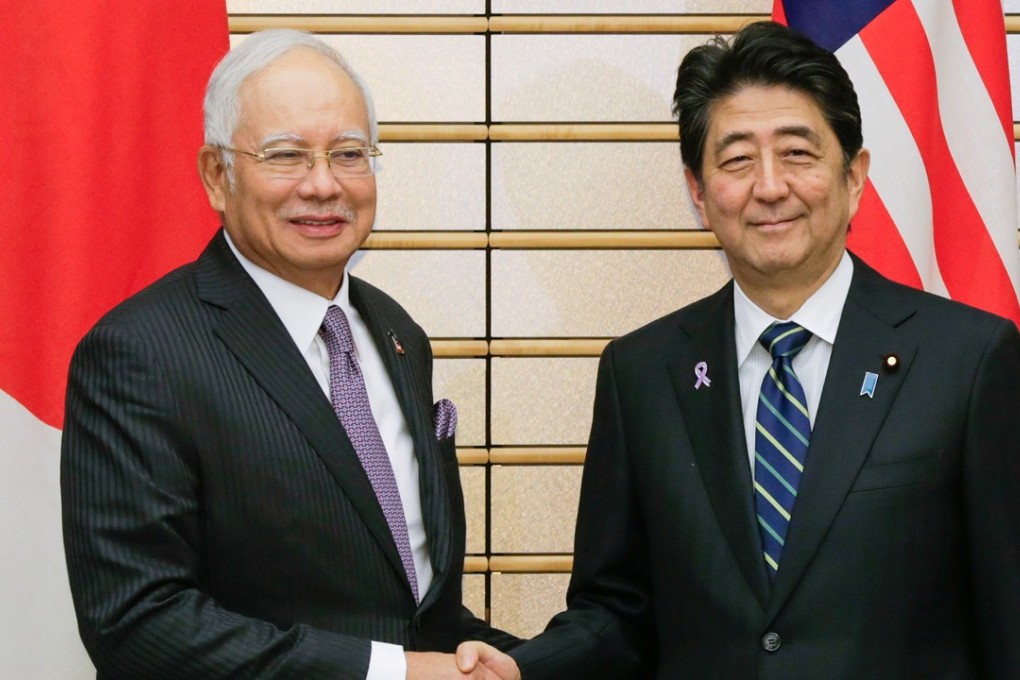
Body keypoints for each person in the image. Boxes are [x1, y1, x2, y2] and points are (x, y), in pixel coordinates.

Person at [459, 20, 1020, 680]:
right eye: (736, 160)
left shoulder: (969, 360)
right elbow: (617, 612)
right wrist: (524, 669)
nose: (770, 186)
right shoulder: (641, 373)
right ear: (698, 192)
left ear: (856, 177)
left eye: (799, 154)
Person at [61, 29, 519, 679]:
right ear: (217, 175)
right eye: (285, 155)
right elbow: (136, 622)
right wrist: (395, 675)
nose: (324, 184)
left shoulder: (398, 334)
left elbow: (411, 610)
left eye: (349, 153)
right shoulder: (140, 353)